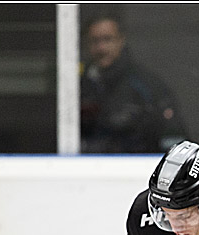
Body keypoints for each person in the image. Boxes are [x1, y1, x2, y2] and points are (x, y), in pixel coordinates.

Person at [80, 14, 188, 153]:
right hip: (90, 170)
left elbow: (174, 141)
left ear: (121, 40)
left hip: (138, 170)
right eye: (95, 41)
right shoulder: (77, 86)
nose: (101, 48)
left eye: (108, 39)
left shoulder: (147, 85)